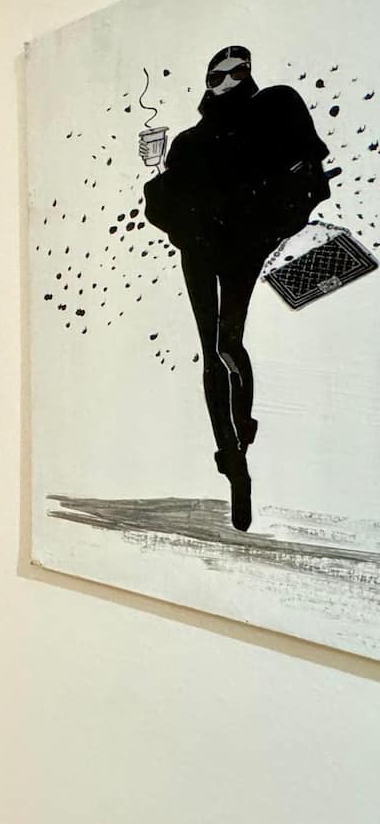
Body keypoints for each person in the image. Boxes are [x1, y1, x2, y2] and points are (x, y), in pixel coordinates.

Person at [143, 46, 332, 531]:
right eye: (217, 75)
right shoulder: (189, 140)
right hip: (200, 251)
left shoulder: (275, 105)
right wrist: (158, 169)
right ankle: (232, 458)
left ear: (248, 73)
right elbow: (167, 205)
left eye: (237, 71)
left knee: (228, 344)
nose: (227, 81)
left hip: (244, 248)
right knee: (213, 351)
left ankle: (240, 436)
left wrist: (277, 220)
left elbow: (307, 176)